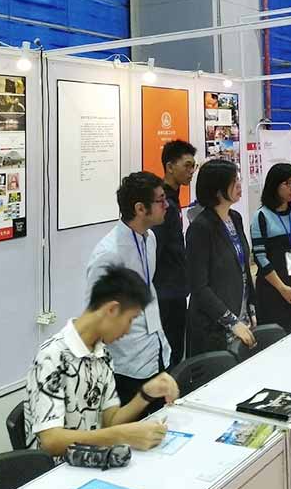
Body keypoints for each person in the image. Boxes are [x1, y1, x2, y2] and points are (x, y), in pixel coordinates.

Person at [25, 265, 179, 457]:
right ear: (112, 309)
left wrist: (145, 394)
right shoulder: (51, 356)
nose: (128, 330)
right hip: (57, 470)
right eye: (130, 319)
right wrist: (121, 435)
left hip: (94, 460)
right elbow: (51, 441)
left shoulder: (102, 354)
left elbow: (110, 421)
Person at [86, 172, 171, 407]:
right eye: (160, 200)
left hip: (156, 349)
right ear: (140, 208)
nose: (167, 205)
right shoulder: (108, 254)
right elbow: (96, 317)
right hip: (127, 364)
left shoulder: (149, 238)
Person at [186, 159, 256, 356]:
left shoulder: (236, 218)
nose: (239, 185)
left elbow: (244, 268)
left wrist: (251, 307)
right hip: (214, 325)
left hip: (241, 316)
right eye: (234, 181)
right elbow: (199, 287)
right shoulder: (200, 228)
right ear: (217, 190)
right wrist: (231, 321)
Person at [250, 162, 291, 333]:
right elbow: (260, 257)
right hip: (272, 289)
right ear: (274, 185)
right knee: (274, 339)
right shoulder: (261, 216)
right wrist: (282, 288)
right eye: (287, 183)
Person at [152, 140, 197, 365]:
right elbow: (156, 249)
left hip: (176, 287)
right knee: (171, 352)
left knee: (177, 348)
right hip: (165, 291)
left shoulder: (174, 197)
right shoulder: (163, 203)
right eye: (187, 166)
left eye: (193, 166)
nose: (191, 171)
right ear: (170, 167)